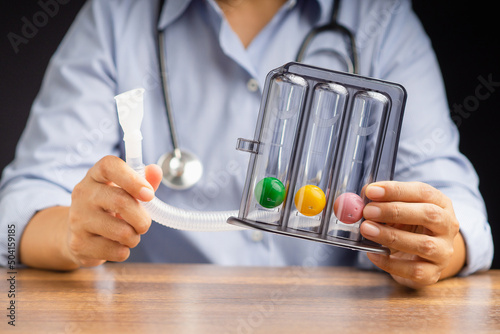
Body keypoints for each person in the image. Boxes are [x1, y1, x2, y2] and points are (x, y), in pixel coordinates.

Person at [0, 0, 493, 289]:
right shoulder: (115, 16)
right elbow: (15, 211)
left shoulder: (381, 17)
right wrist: (71, 234)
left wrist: (436, 247)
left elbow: (453, 202)